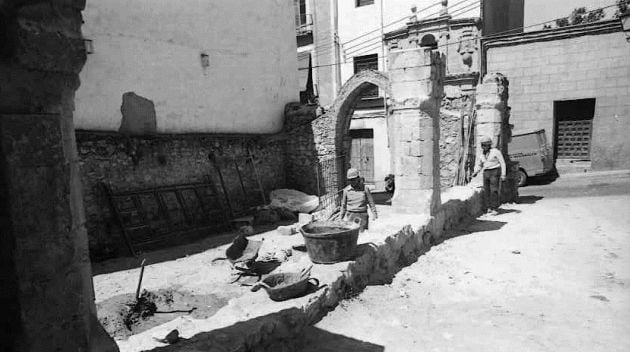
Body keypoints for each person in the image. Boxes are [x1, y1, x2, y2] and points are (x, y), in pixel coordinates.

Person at [472, 135, 506, 215]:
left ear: (489, 145)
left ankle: (494, 208)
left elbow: (502, 163)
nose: (483, 147)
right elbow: (480, 165)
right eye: (482, 145)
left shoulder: (496, 152)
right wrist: (476, 172)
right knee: (486, 190)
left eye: (484, 145)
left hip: (495, 171)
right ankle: (489, 207)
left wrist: (503, 174)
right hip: (486, 172)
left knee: (494, 190)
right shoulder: (482, 154)